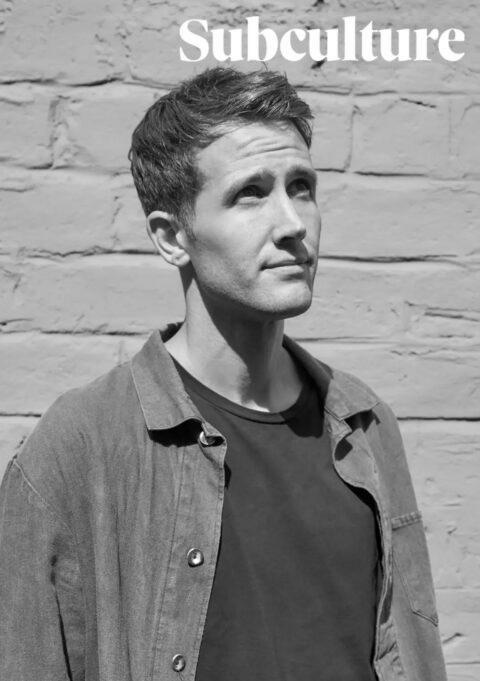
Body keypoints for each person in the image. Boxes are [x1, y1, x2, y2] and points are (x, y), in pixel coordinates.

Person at [0, 67, 447, 681]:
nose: (292, 223)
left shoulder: (365, 424)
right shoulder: (83, 445)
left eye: (302, 187)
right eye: (250, 194)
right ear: (171, 237)